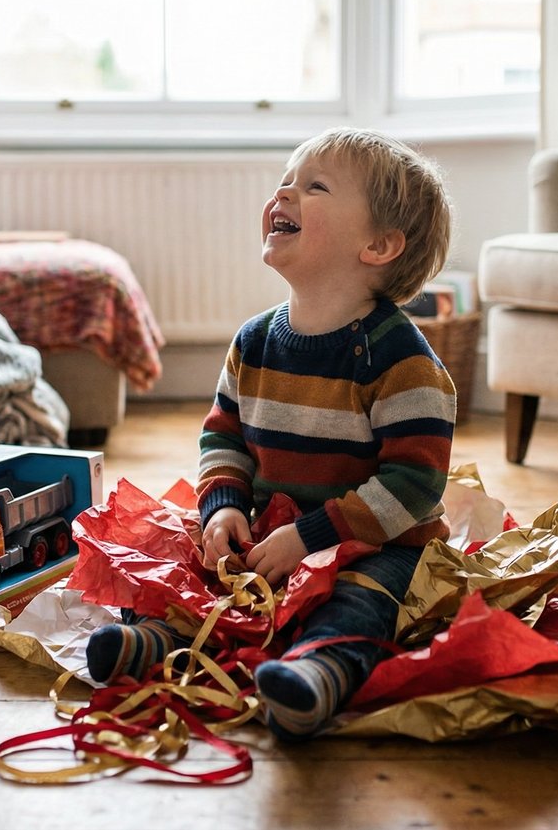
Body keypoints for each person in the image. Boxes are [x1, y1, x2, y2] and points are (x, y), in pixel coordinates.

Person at [86, 126, 456, 740]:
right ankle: (158, 641)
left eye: (313, 186)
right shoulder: (253, 341)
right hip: (268, 531)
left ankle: (318, 674)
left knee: (362, 600)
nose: (284, 193)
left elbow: (414, 487)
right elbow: (222, 437)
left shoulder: (402, 362)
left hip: (371, 542)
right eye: (285, 180)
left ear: (379, 244)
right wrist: (223, 509)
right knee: (180, 554)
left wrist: (310, 538)